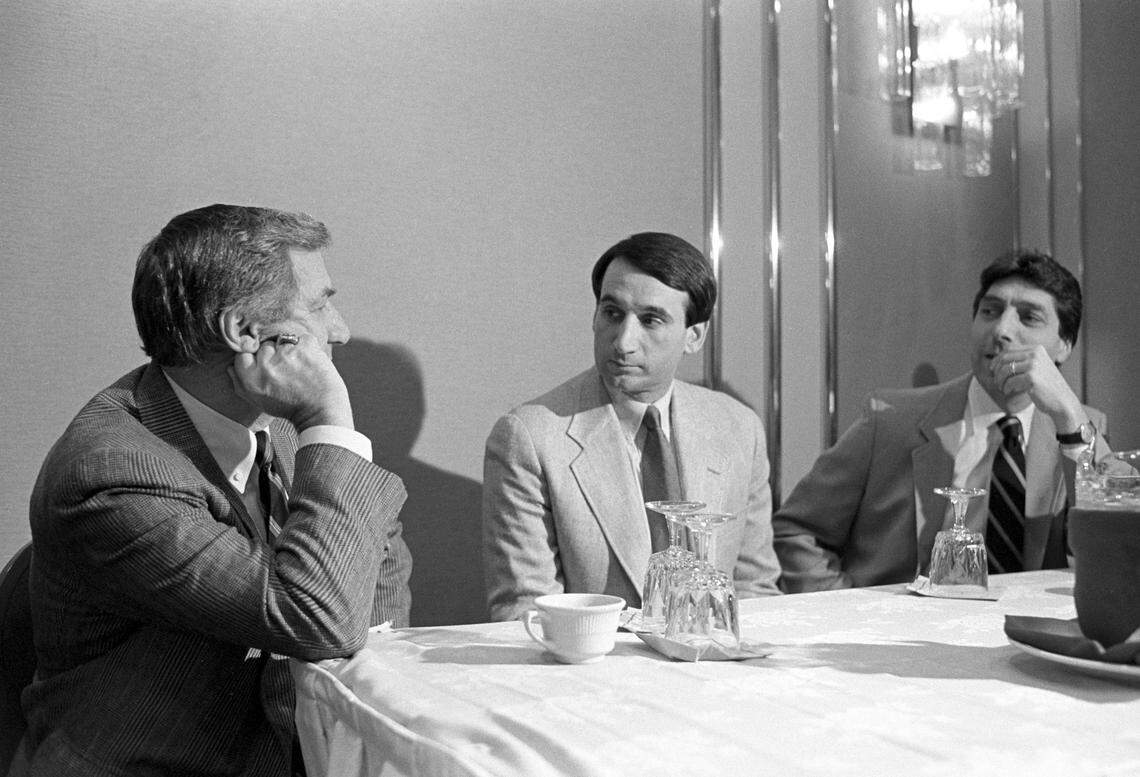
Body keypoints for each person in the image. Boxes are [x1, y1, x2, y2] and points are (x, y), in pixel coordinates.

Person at [21, 204, 412, 776]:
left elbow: (380, 539)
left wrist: (357, 661)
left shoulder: (270, 415)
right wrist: (331, 417)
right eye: (320, 304)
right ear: (246, 332)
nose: (340, 329)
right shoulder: (110, 474)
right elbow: (318, 616)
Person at [482, 231, 780, 622]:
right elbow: (528, 612)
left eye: (651, 320)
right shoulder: (530, 437)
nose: (623, 342)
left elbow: (756, 590)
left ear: (694, 336)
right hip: (589, 673)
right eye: (612, 313)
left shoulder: (739, 428)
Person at [773, 249, 1111, 593]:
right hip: (897, 634)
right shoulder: (890, 420)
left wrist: (1069, 415)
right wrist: (849, 613)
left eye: (1028, 317)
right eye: (990, 312)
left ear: (1064, 346)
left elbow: (1119, 549)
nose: (1001, 330)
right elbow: (798, 532)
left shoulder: (1081, 430)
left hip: (1019, 637)